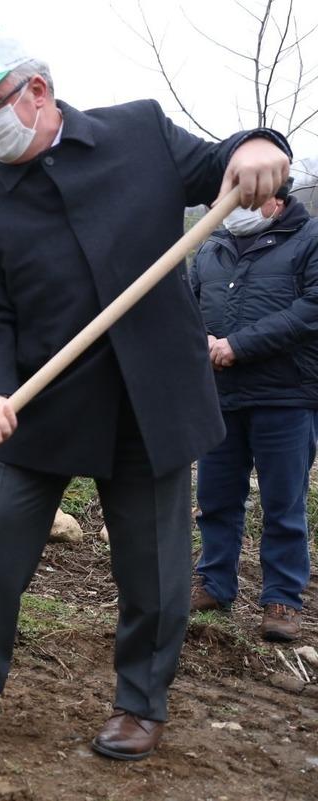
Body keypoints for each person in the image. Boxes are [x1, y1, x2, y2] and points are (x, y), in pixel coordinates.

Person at [0, 35, 291, 761]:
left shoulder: (138, 134)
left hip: (150, 396)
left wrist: (258, 143)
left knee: (153, 566)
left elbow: (223, 163)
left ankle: (140, 702)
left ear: (38, 92)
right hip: (41, 401)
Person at [189, 178, 318, 642]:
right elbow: (188, 304)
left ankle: (282, 598)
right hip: (221, 395)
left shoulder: (310, 239)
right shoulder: (211, 246)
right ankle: (213, 582)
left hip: (286, 394)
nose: (230, 207)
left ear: (275, 198)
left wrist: (238, 346)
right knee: (216, 497)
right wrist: (201, 338)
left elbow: (311, 309)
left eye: (241, 198)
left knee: (284, 501)